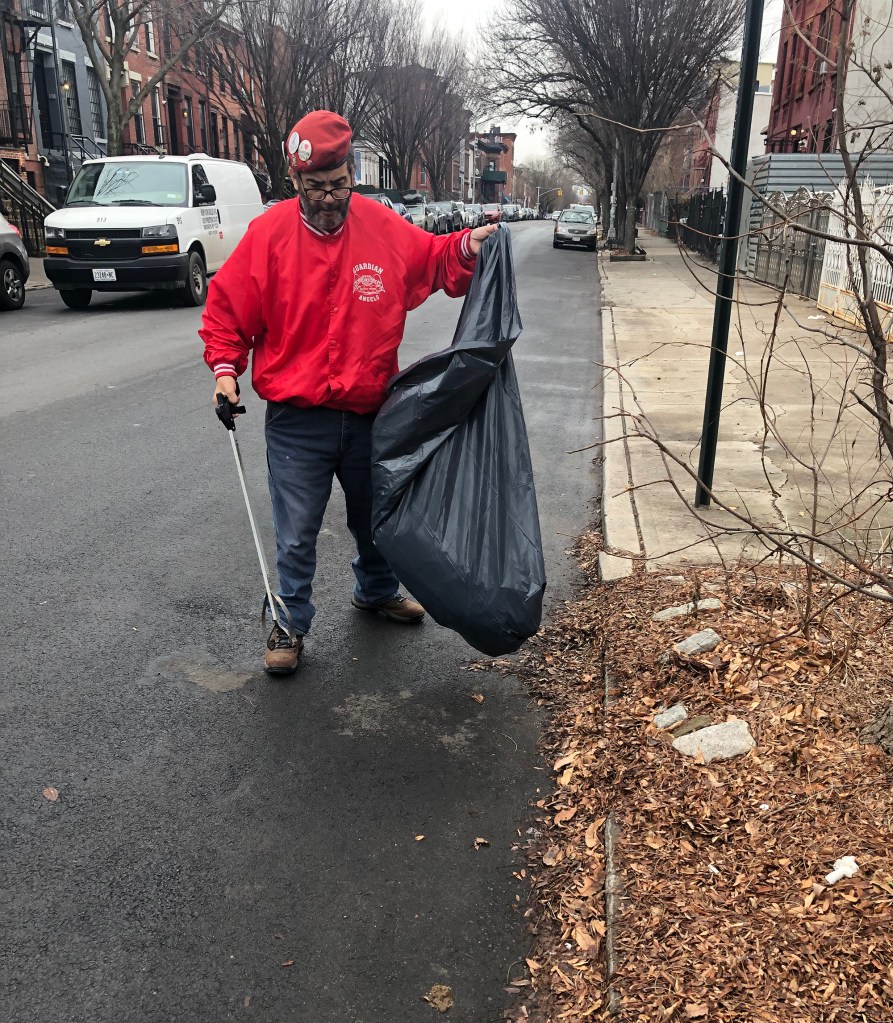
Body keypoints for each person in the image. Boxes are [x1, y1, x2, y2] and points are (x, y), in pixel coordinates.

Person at [201, 109, 498, 675]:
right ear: (296, 183)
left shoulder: (381, 228)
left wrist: (467, 248)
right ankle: (289, 624)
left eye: (339, 185)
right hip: (297, 417)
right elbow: (227, 313)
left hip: (369, 411)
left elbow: (432, 259)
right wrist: (225, 371)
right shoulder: (267, 237)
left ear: (350, 177)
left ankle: (376, 590)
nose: (330, 197)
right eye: (317, 188)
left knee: (375, 517)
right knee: (296, 534)